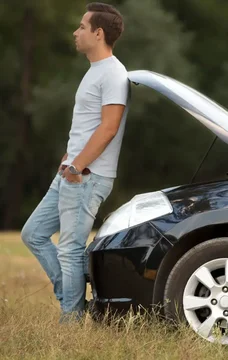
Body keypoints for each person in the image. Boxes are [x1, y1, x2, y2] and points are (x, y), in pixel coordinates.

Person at [21, 2, 130, 321]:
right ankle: (80, 296)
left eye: (82, 27)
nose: (76, 31)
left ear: (98, 33)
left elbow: (109, 127)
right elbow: (87, 125)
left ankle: (71, 319)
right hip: (74, 172)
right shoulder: (96, 70)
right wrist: (70, 157)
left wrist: (79, 164)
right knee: (33, 234)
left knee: (69, 250)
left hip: (86, 176)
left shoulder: (113, 72)